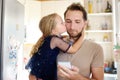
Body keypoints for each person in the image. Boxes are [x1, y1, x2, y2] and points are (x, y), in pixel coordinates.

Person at [25, 13, 84, 80]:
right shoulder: (55, 40)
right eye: (61, 23)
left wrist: (66, 38)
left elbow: (62, 39)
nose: (64, 23)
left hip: (37, 75)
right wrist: (82, 35)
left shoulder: (50, 39)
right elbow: (73, 49)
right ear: (53, 29)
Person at [57, 3, 104, 80]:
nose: (72, 27)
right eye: (68, 21)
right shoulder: (55, 44)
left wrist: (76, 77)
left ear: (85, 24)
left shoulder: (96, 48)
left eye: (77, 22)